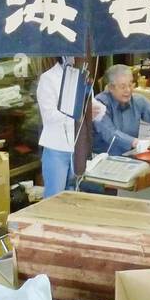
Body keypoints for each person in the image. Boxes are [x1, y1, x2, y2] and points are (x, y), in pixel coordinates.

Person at [92, 64, 150, 156]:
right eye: (123, 87)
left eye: (130, 85)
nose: (128, 90)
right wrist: (136, 142)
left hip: (129, 155)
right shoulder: (100, 104)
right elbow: (110, 134)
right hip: (103, 159)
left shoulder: (137, 100)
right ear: (110, 88)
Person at [36, 58, 91, 198]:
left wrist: (97, 110)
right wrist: (76, 112)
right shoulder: (48, 78)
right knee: (54, 196)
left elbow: (93, 104)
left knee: (74, 194)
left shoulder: (82, 76)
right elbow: (49, 115)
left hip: (78, 146)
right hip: (56, 147)